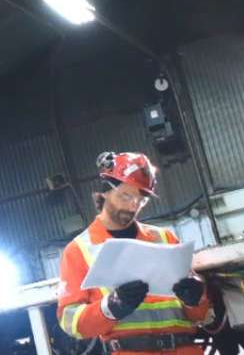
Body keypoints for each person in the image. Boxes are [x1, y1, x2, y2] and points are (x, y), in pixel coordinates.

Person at [56, 152, 221, 355]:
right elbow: (70, 321)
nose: (133, 205)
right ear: (104, 192)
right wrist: (111, 307)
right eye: (125, 196)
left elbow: (200, 315)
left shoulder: (165, 238)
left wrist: (196, 298)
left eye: (141, 200)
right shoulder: (79, 250)